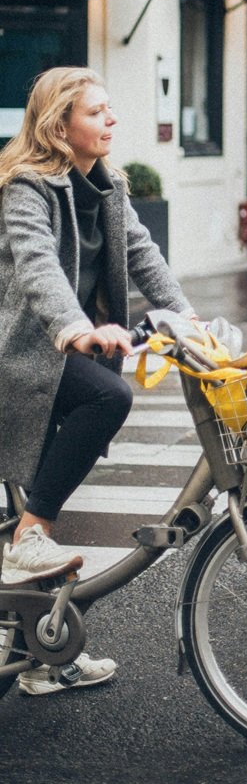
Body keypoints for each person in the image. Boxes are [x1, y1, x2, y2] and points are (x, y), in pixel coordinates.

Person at [0, 67, 194, 693]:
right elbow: (35, 266)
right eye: (97, 112)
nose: (112, 120)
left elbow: (143, 256)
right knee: (108, 397)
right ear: (60, 126)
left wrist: (188, 322)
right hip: (24, 357)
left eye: (111, 110)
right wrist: (76, 328)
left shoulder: (107, 189)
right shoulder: (26, 188)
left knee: (55, 503)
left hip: (59, 357)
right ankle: (29, 537)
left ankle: (43, 656)